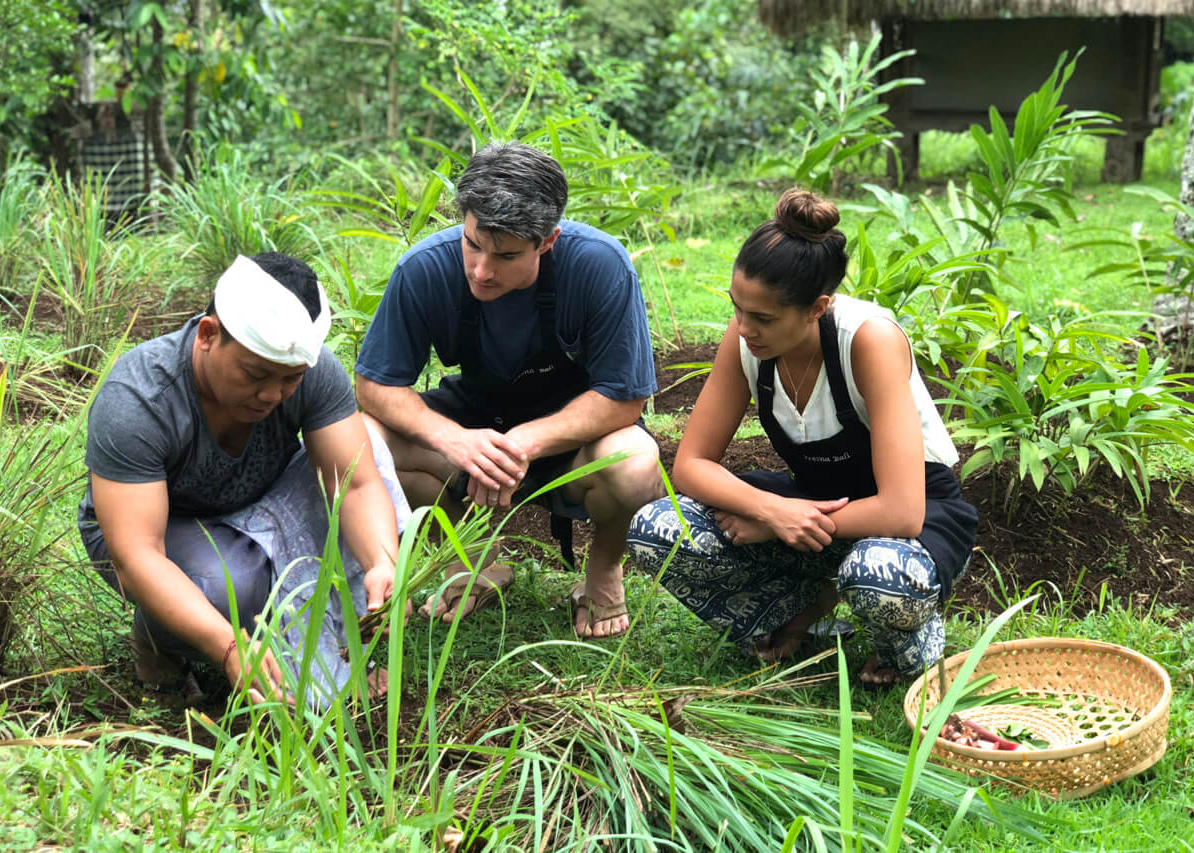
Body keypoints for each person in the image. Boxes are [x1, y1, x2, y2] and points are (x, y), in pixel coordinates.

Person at [627, 189, 978, 685]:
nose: (745, 328)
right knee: (657, 529)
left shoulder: (867, 340)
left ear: (817, 307)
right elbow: (690, 465)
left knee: (880, 577)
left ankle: (903, 646)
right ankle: (805, 618)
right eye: (737, 308)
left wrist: (775, 524)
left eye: (764, 318)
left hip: (914, 518)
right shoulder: (748, 337)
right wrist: (771, 509)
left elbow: (902, 509)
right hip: (814, 504)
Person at [355, 141, 663, 638]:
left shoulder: (601, 265)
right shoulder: (424, 269)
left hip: (571, 435)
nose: (481, 270)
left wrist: (524, 442)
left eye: (506, 255)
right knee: (361, 442)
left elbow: (624, 397)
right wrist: (455, 440)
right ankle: (475, 563)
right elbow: (374, 386)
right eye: (473, 243)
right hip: (471, 423)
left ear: (548, 241)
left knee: (635, 462)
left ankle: (604, 570)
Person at [78, 252, 410, 705]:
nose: (272, 395)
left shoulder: (308, 370)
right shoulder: (139, 400)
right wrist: (229, 646)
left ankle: (339, 645)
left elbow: (355, 484)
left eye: (290, 380)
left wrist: (382, 563)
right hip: (155, 533)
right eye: (256, 375)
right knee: (228, 583)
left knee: (366, 446)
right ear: (209, 335)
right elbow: (138, 558)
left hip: (255, 498)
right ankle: (156, 644)